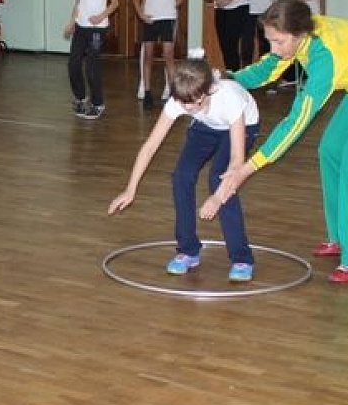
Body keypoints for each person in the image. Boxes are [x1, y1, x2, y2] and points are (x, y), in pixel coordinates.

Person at [214, 0, 348, 283]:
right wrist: (227, 79)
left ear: (300, 34)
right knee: (330, 150)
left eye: (278, 42)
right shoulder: (299, 37)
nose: (274, 49)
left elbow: (298, 120)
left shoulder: (326, 56)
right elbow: (266, 69)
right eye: (270, 41)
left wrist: (248, 167)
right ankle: (341, 238)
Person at [108, 57, 260, 283]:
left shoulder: (229, 97)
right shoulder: (181, 100)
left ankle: (242, 258)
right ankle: (188, 250)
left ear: (208, 91)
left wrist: (217, 198)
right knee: (181, 176)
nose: (187, 108)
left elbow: (236, 162)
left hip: (242, 126)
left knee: (219, 179)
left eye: (193, 103)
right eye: (183, 103)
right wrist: (130, 189)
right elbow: (150, 146)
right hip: (206, 125)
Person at [63, 0, 118, 120]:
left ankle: (97, 103)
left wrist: (101, 16)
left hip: (97, 29)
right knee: (73, 64)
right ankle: (80, 97)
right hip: (80, 28)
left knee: (92, 68)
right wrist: (71, 23)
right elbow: (78, 2)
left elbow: (115, 2)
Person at [135, 0, 186, 108]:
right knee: (148, 55)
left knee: (168, 56)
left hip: (168, 19)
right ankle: (148, 91)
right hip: (150, 19)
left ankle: (173, 92)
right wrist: (142, 14)